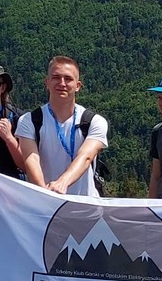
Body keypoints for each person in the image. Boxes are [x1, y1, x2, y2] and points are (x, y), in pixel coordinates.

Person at [15, 56, 107, 196]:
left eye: (68, 79)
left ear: (78, 86)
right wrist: (46, 194)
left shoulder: (93, 122)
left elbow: (85, 156)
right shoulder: (29, 121)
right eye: (56, 77)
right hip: (46, 202)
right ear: (47, 82)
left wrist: (62, 183)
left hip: (85, 204)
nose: (62, 83)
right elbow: (31, 159)